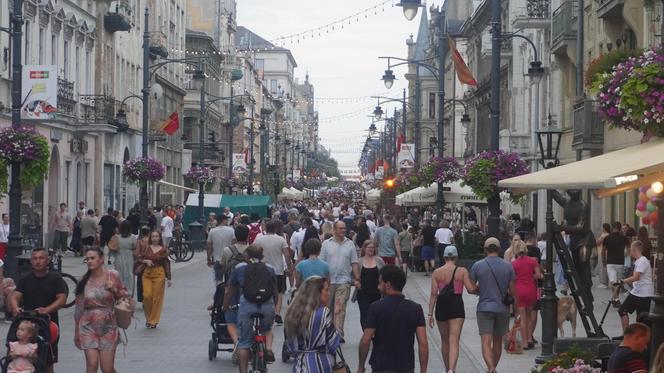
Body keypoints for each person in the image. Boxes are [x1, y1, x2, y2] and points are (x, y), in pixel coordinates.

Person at [358, 266, 428, 373]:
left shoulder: (376, 308)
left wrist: (361, 366)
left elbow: (365, 340)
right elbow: (423, 343)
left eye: (380, 283)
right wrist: (423, 370)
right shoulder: (415, 308)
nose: (378, 287)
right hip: (406, 366)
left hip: (381, 366)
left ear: (388, 285)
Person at [222, 244, 278, 372]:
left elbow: (230, 291)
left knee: (244, 342)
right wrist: (273, 305)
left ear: (247, 255)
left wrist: (225, 306)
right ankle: (268, 349)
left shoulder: (240, 268)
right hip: (266, 305)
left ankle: (243, 370)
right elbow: (275, 291)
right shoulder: (269, 268)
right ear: (262, 256)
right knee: (267, 329)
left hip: (247, 305)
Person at [11, 248, 67, 373]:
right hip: (27, 325)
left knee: (48, 361)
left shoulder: (55, 278)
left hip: (49, 324)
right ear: (31, 261)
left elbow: (62, 298)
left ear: (47, 260)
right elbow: (16, 295)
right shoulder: (25, 278)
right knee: (25, 359)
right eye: (35, 258)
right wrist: (15, 307)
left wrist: (48, 309)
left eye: (41, 258)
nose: (38, 261)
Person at [74, 247, 129, 373]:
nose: (89, 261)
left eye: (92, 258)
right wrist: (76, 331)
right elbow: (79, 307)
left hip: (108, 324)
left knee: (107, 369)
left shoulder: (112, 275)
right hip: (87, 325)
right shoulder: (83, 281)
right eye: (87, 259)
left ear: (101, 259)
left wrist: (114, 289)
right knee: (92, 365)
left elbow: (124, 296)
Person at [469, 237, 517, 373]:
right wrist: (517, 311)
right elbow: (513, 291)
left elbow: (471, 288)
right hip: (502, 309)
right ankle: (492, 368)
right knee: (497, 342)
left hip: (484, 308)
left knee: (485, 341)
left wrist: (480, 289)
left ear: (485, 250)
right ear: (499, 249)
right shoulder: (508, 266)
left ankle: (491, 369)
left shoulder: (478, 265)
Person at [428, 245, 477, 373]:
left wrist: (429, 314)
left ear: (444, 257)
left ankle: (446, 368)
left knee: (445, 341)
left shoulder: (437, 272)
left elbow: (434, 294)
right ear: (456, 257)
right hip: (456, 305)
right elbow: (471, 289)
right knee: (454, 340)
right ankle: (452, 369)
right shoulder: (462, 271)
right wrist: (479, 288)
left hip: (441, 306)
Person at [285, 276, 341, 373]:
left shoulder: (293, 313)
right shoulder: (324, 313)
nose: (329, 293)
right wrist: (336, 316)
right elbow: (333, 344)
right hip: (321, 365)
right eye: (326, 290)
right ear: (317, 293)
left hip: (300, 365)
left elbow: (291, 348)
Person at [320, 221, 360, 342]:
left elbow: (354, 262)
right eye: (341, 228)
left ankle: (338, 333)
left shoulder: (350, 244)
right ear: (334, 230)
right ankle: (327, 331)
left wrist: (357, 278)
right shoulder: (326, 244)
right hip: (328, 282)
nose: (343, 230)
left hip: (344, 281)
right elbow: (322, 262)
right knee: (328, 308)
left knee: (340, 307)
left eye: (344, 228)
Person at [254, 220, 292, 325]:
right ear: (275, 229)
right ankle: (277, 313)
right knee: (279, 293)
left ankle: (263, 310)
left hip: (263, 270)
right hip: (278, 270)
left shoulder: (259, 240)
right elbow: (287, 255)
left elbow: (253, 253)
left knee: (263, 291)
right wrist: (289, 268)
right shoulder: (280, 239)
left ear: (265, 228)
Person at [135, 231, 172, 328]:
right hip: (147, 273)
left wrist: (169, 278)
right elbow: (138, 258)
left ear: (159, 238)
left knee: (157, 298)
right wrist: (145, 261)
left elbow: (166, 263)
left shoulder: (163, 250)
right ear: (150, 237)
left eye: (157, 236)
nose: (155, 238)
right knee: (146, 296)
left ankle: (153, 321)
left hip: (159, 273)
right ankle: (149, 318)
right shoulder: (147, 248)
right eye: (153, 236)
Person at [616, 240, 654, 331]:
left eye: (631, 249)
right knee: (622, 310)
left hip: (644, 294)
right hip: (636, 292)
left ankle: (644, 338)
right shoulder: (638, 261)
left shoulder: (642, 261)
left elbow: (636, 277)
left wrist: (622, 281)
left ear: (635, 249)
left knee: (641, 319)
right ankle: (626, 334)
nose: (629, 251)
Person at [511, 239, 542, 350]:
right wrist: (529, 277)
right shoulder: (532, 261)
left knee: (522, 317)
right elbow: (538, 275)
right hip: (531, 289)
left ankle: (524, 342)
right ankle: (529, 338)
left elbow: (511, 279)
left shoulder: (513, 264)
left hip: (519, 291)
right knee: (530, 316)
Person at [356, 240, 385, 330]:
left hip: (377, 292)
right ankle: (366, 334)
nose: (371, 249)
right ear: (364, 249)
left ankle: (374, 333)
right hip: (362, 293)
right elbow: (351, 275)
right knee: (364, 313)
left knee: (376, 314)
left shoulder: (379, 260)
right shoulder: (359, 261)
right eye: (369, 247)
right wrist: (356, 282)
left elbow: (385, 274)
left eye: (373, 247)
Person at [604, 222, 630, 306]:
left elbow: (603, 250)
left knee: (613, 282)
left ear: (612, 228)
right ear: (619, 228)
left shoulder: (607, 238)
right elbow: (628, 247)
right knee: (618, 282)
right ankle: (616, 298)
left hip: (610, 262)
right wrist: (626, 253)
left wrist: (603, 260)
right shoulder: (624, 238)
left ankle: (615, 298)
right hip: (620, 262)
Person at [207, 214, 235, 284]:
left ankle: (219, 292)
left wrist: (209, 258)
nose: (227, 221)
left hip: (217, 259)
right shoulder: (231, 230)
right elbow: (234, 243)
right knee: (229, 281)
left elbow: (209, 246)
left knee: (218, 280)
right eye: (226, 219)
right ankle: (226, 292)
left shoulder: (212, 231)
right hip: (229, 259)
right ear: (223, 221)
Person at [112, 220, 137, 296]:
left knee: (119, 274)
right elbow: (135, 246)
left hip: (119, 256)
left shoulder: (117, 237)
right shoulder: (132, 237)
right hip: (129, 256)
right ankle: (128, 291)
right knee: (129, 274)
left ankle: (119, 290)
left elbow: (113, 248)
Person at [596, 223, 611, 289]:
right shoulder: (605, 234)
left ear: (604, 228)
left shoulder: (605, 235)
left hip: (603, 253)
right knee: (602, 267)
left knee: (602, 268)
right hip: (602, 252)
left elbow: (597, 242)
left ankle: (604, 283)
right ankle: (604, 282)